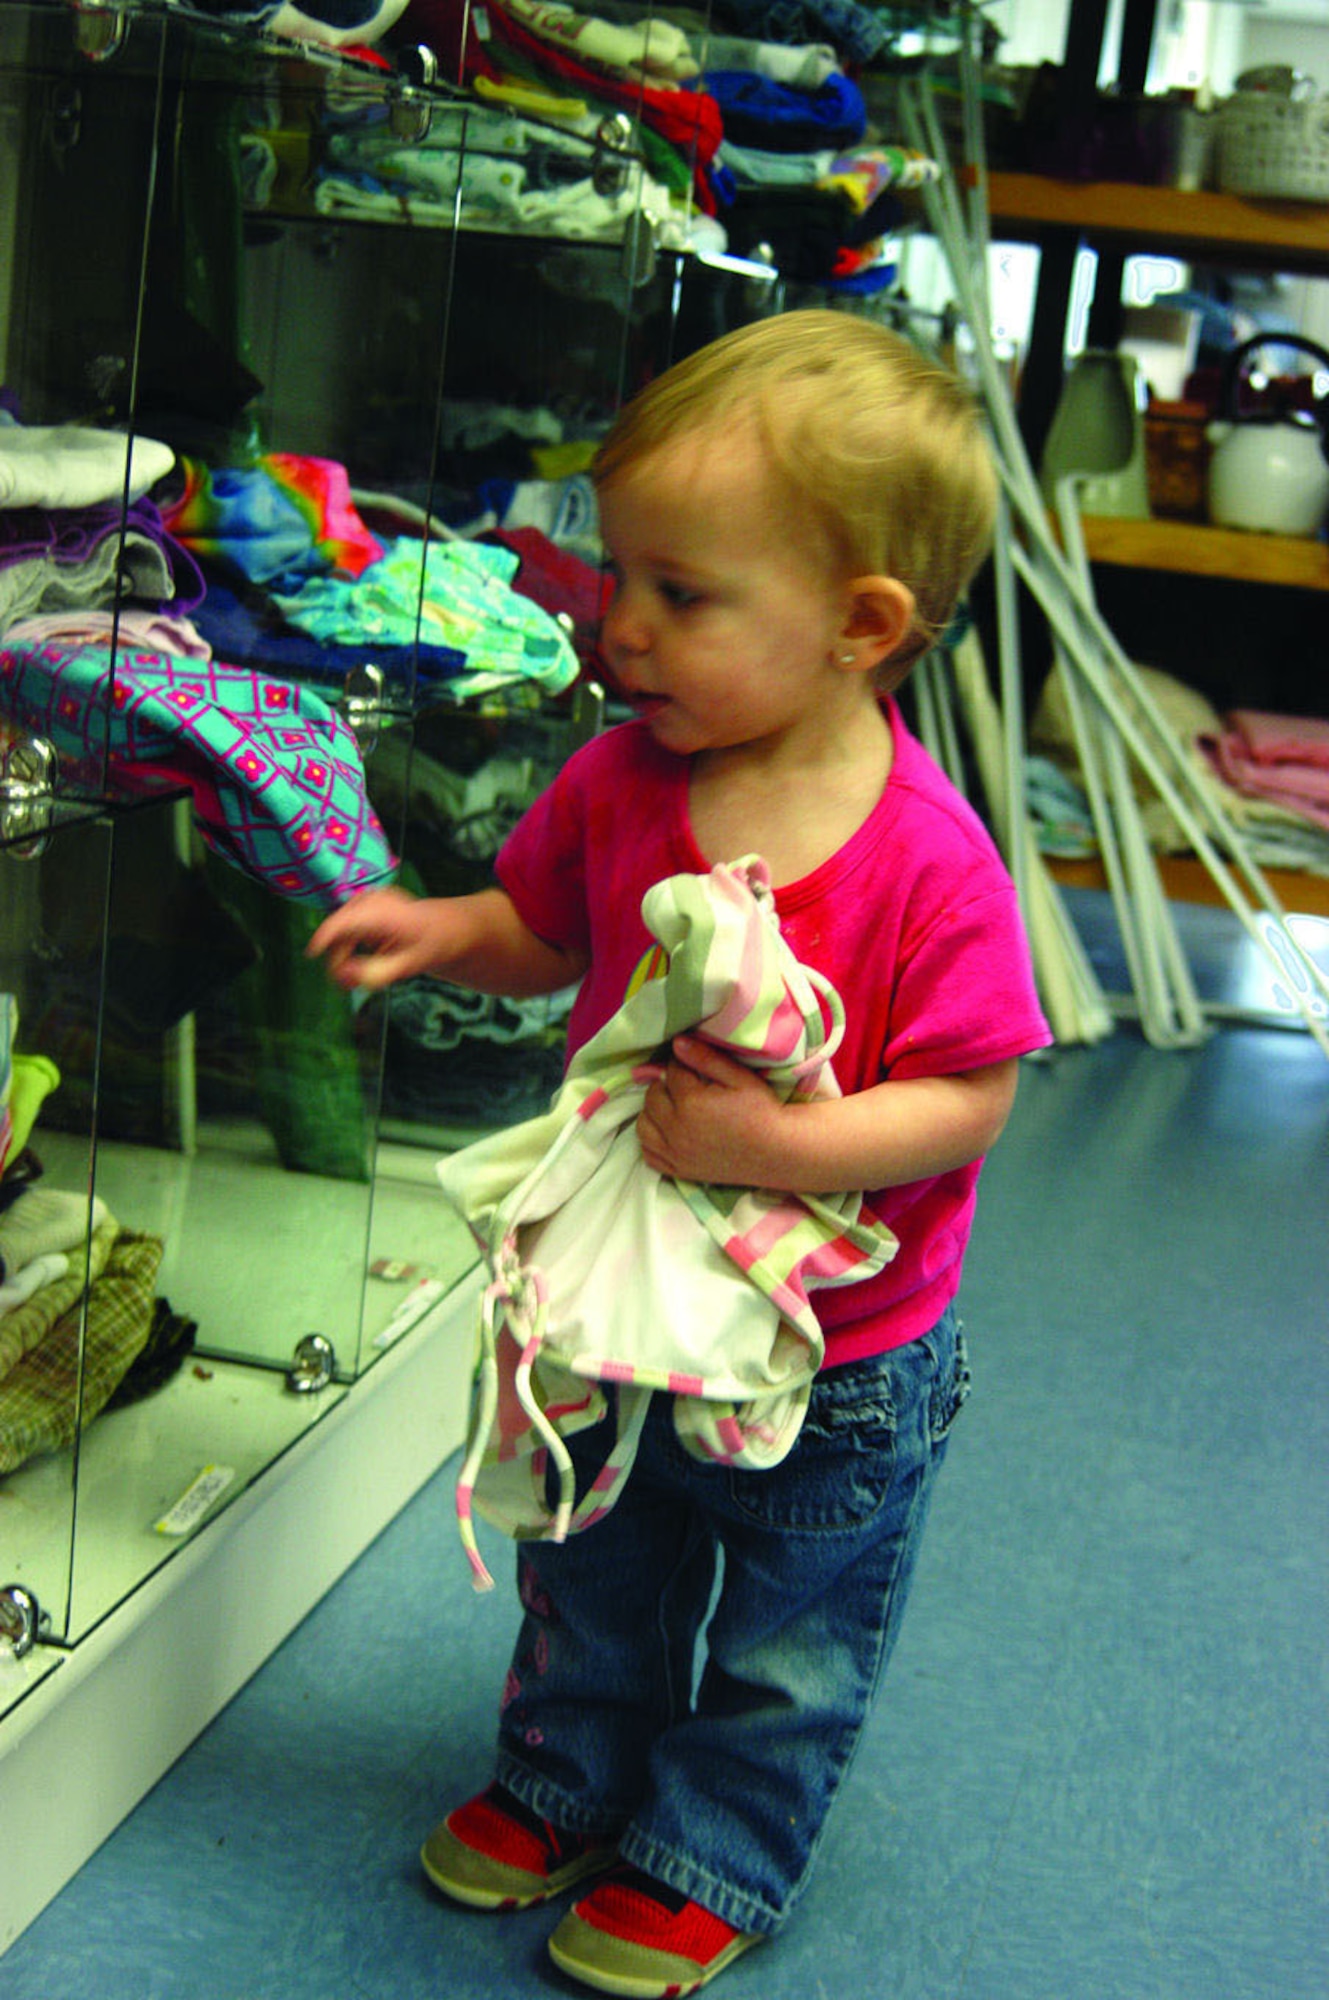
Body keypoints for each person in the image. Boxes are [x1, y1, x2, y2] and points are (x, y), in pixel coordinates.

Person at [308, 308, 1052, 1996]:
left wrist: (767, 1143)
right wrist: (444, 931)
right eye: (621, 575)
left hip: (835, 1352)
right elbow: (541, 924)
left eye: (682, 595)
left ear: (861, 627)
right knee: (595, 1559)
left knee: (789, 1630)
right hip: (620, 1301)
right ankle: (569, 1774)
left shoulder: (930, 867)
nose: (619, 626)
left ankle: (713, 1844)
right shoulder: (624, 777)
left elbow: (970, 1095)